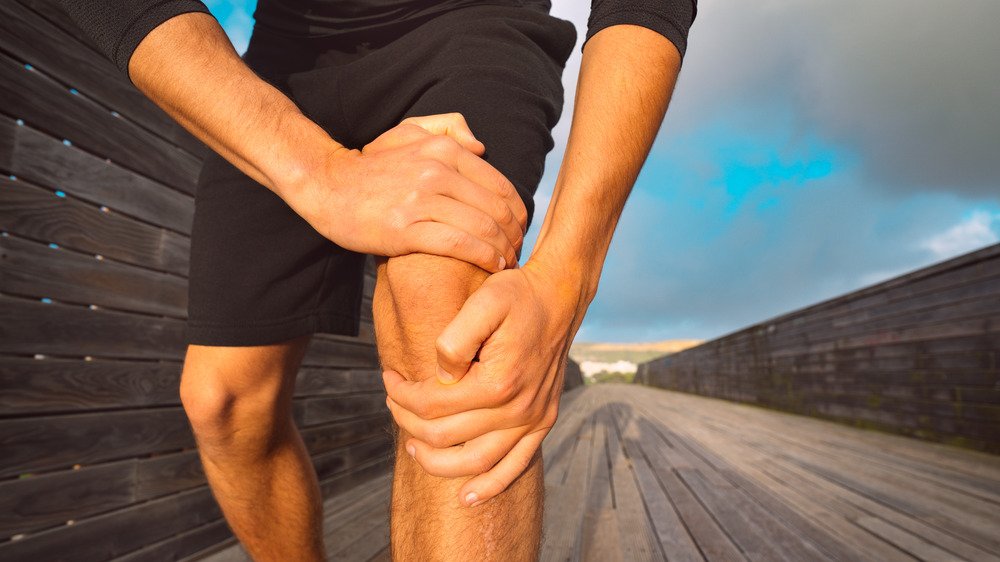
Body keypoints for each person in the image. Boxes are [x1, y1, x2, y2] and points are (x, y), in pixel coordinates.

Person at [58, 0, 695, 559]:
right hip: (284, 62)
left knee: (452, 336)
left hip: (474, 27)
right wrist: (319, 174)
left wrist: (565, 276)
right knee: (221, 402)